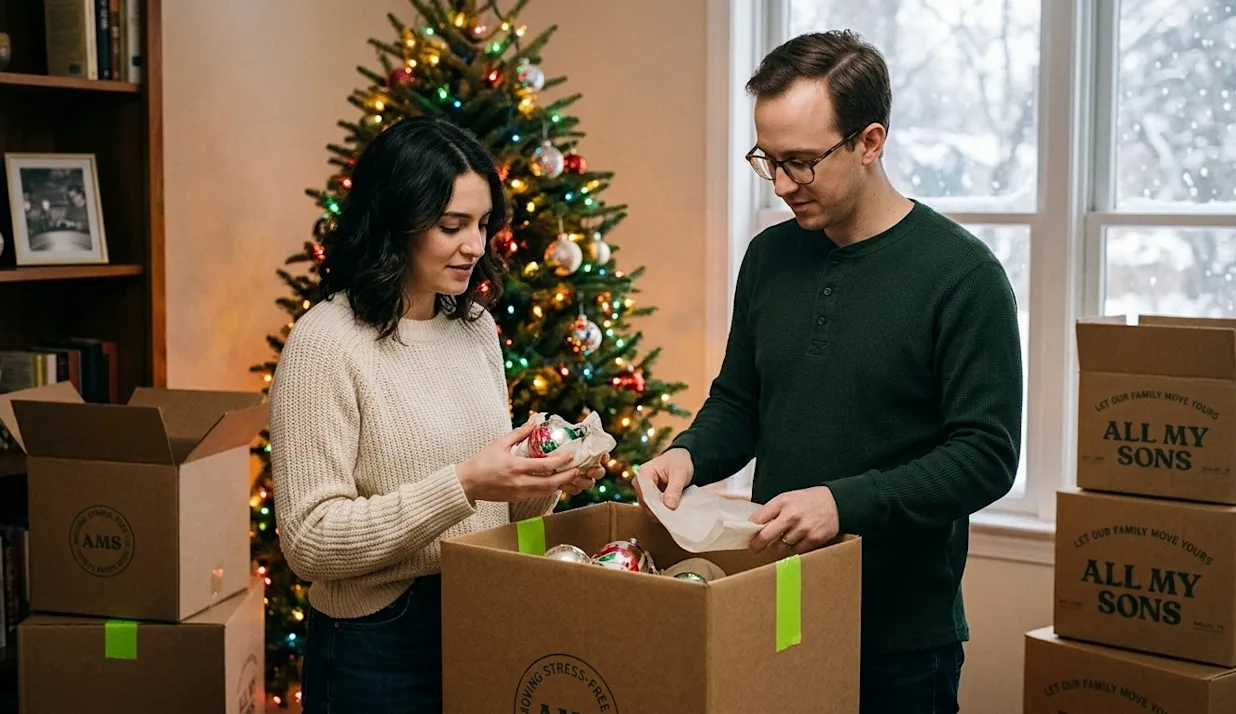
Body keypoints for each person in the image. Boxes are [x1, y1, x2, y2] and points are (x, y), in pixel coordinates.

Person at [635, 30, 1022, 714]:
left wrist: (843, 504)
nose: (782, 185)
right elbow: (740, 402)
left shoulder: (962, 276)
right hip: (775, 608)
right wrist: (688, 454)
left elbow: (986, 457)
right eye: (768, 160)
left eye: (802, 162)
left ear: (870, 142)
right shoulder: (770, 257)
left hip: (901, 644)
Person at [268, 116, 604, 714]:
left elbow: (494, 510)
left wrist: (543, 479)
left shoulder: (475, 330)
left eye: (482, 224)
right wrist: (463, 483)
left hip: (482, 610)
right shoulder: (325, 342)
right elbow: (308, 540)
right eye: (452, 226)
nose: (475, 246)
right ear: (394, 219)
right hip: (375, 642)